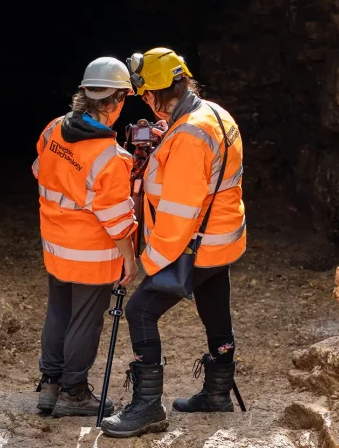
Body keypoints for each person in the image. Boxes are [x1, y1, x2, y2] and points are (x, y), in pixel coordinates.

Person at [101, 48, 246, 439]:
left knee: (140, 312)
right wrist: (166, 144)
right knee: (216, 313)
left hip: (196, 244)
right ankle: (217, 393)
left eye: (145, 93)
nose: (145, 101)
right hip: (223, 239)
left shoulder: (187, 137)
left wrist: (150, 261)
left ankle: (147, 408)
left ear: (155, 93)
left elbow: (180, 212)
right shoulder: (215, 115)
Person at [33, 57, 139, 418]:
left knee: (58, 310)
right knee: (84, 320)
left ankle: (49, 386)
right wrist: (130, 256)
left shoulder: (51, 130)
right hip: (92, 253)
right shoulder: (111, 156)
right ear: (117, 101)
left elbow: (39, 171)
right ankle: (74, 393)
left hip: (55, 242)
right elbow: (115, 217)